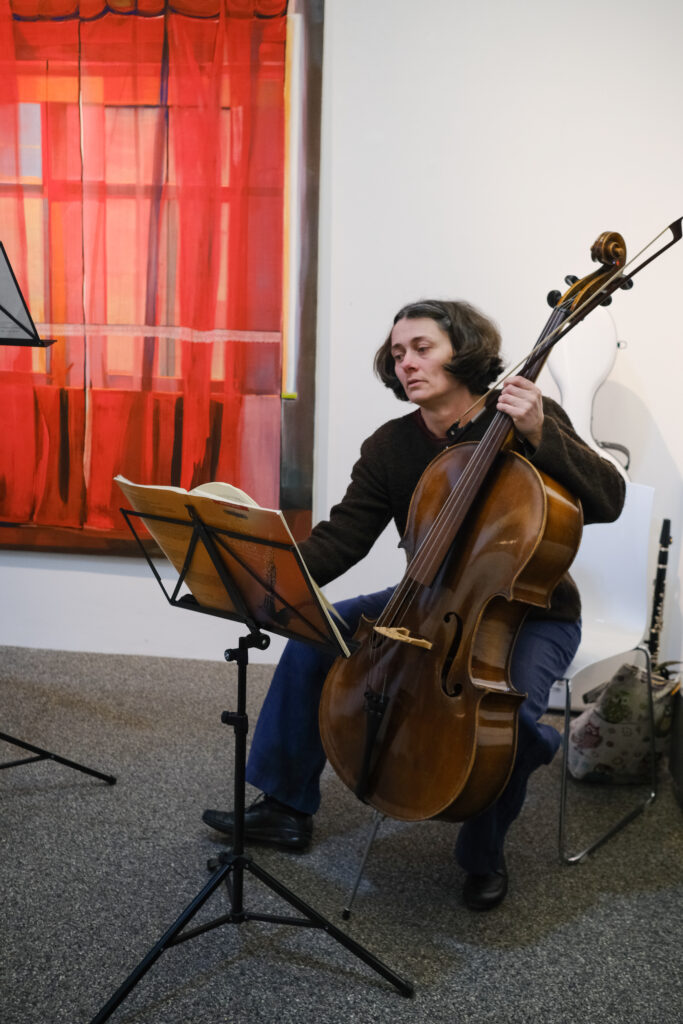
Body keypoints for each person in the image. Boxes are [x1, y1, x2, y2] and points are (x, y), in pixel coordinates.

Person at [203, 299, 625, 910]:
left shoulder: (522, 415)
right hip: (425, 596)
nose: (406, 362)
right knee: (316, 634)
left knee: (508, 724)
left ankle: (482, 855)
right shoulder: (390, 446)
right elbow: (342, 540)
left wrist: (540, 432)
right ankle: (285, 805)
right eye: (398, 353)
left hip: (529, 612)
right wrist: (262, 576)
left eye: (422, 348)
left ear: (464, 351)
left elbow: (608, 500)